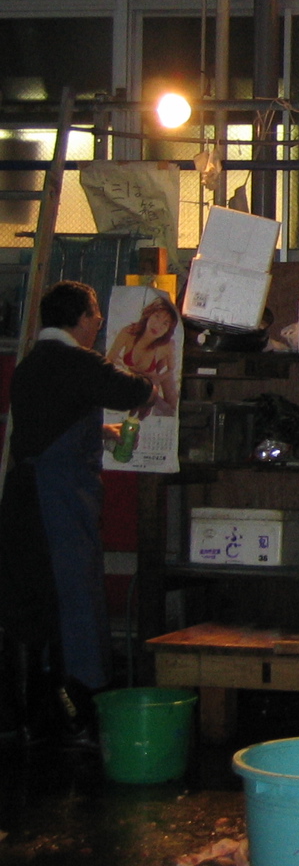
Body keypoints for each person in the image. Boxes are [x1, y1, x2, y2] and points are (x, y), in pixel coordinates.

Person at [0, 281, 153, 746]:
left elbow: (55, 418)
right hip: (58, 502)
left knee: (28, 606)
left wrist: (98, 430)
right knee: (75, 604)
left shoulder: (29, 367)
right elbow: (135, 391)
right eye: (95, 320)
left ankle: (20, 718)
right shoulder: (78, 362)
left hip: (21, 501)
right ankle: (78, 716)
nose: (96, 328)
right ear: (82, 319)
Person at [105, 294, 180, 417]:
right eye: (156, 317)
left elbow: (171, 369)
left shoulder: (166, 345)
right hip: (133, 382)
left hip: (152, 383)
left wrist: (157, 379)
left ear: (168, 330)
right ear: (148, 314)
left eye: (165, 324)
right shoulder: (129, 333)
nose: (158, 326)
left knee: (168, 410)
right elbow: (110, 360)